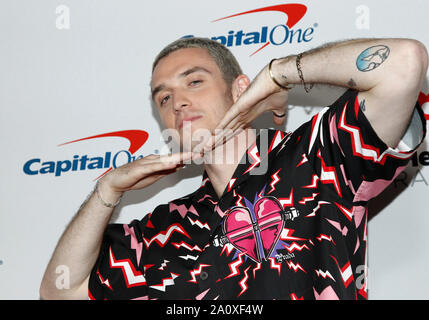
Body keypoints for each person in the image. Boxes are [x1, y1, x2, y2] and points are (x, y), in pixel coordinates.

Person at [40, 37, 428, 300]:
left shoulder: (312, 157)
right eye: (164, 97)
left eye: (194, 81)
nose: (177, 102)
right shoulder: (164, 230)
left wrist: (279, 75)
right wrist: (107, 190)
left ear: (240, 88)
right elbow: (60, 291)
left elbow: (404, 63)